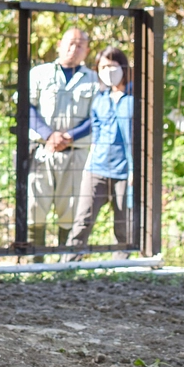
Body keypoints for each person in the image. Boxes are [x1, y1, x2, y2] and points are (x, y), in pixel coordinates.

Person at [27, 28, 97, 259]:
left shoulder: (94, 80)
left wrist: (70, 136)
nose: (73, 49)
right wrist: (49, 134)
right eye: (70, 43)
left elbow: (96, 116)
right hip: (42, 150)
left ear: (86, 50)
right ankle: (34, 262)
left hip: (76, 152)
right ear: (59, 44)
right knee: (35, 206)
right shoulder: (40, 73)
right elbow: (27, 107)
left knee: (70, 208)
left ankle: (63, 263)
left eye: (80, 45)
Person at [63, 47, 133, 261]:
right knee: (83, 220)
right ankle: (67, 265)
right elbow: (96, 130)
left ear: (123, 67)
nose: (108, 71)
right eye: (103, 67)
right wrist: (88, 166)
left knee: (124, 225)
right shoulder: (100, 99)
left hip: (125, 172)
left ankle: (121, 268)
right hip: (97, 168)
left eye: (112, 66)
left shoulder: (136, 98)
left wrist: (135, 171)